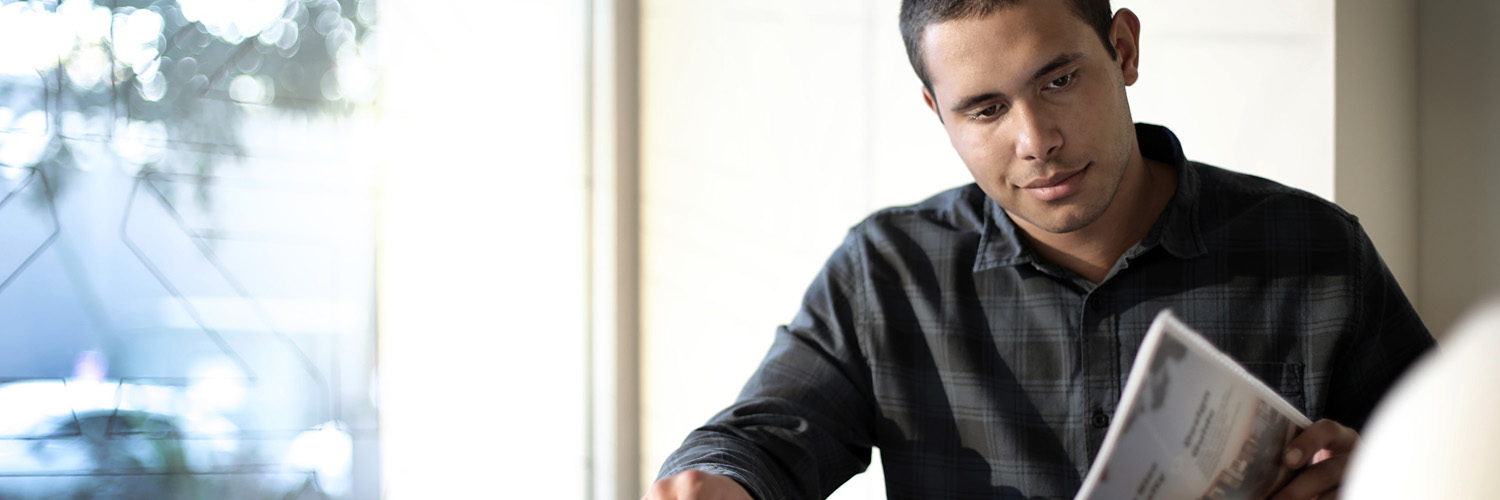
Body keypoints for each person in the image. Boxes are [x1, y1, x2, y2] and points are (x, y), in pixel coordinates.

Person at [643, 1, 1435, 499]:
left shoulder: (1314, 251)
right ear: (937, 112)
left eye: (1058, 81)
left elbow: (1456, 459)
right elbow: (763, 437)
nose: (1036, 142)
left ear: (1123, 48)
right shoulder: (888, 273)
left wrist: (1375, 477)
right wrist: (718, 481)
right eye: (984, 109)